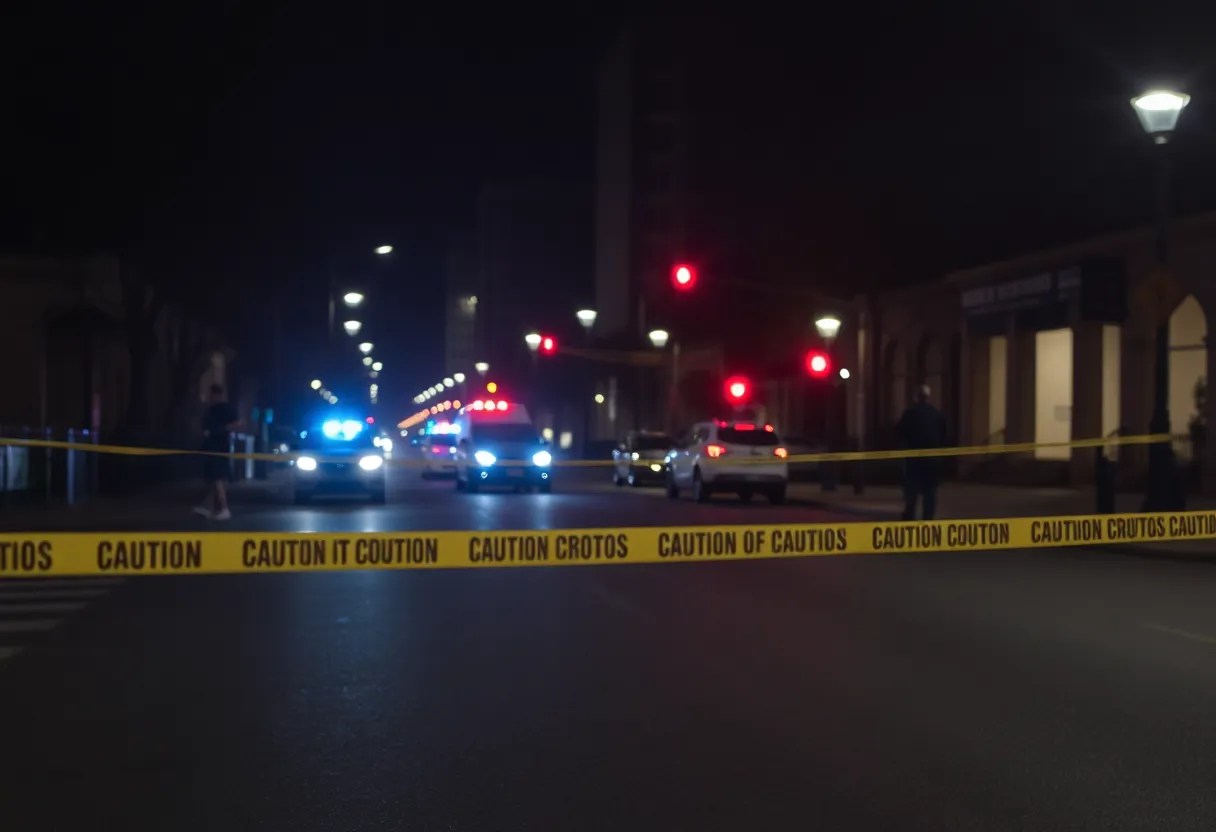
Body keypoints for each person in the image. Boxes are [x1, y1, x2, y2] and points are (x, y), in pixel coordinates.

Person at [894, 384, 947, 521]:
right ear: (928, 398)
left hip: (914, 458)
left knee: (912, 489)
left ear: (916, 397)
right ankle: (928, 517)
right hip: (932, 458)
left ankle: (909, 516)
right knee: (930, 490)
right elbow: (945, 436)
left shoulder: (910, 414)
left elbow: (900, 433)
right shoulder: (937, 414)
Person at [194, 384, 240, 520]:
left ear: (216, 395)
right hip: (211, 447)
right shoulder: (211, 409)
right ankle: (207, 507)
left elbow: (236, 423)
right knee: (212, 479)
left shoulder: (225, 409)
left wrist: (224, 429)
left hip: (219, 447)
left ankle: (224, 508)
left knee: (218, 479)